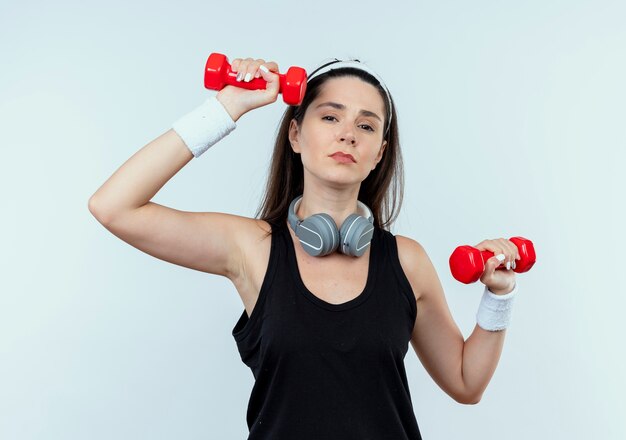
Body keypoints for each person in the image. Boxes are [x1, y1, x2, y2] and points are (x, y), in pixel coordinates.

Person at [88, 55, 520, 440]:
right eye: (331, 118)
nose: (348, 134)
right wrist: (228, 106)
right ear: (295, 134)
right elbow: (114, 207)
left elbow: (466, 383)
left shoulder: (406, 260)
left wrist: (499, 294)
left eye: (366, 125)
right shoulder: (251, 248)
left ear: (378, 153)